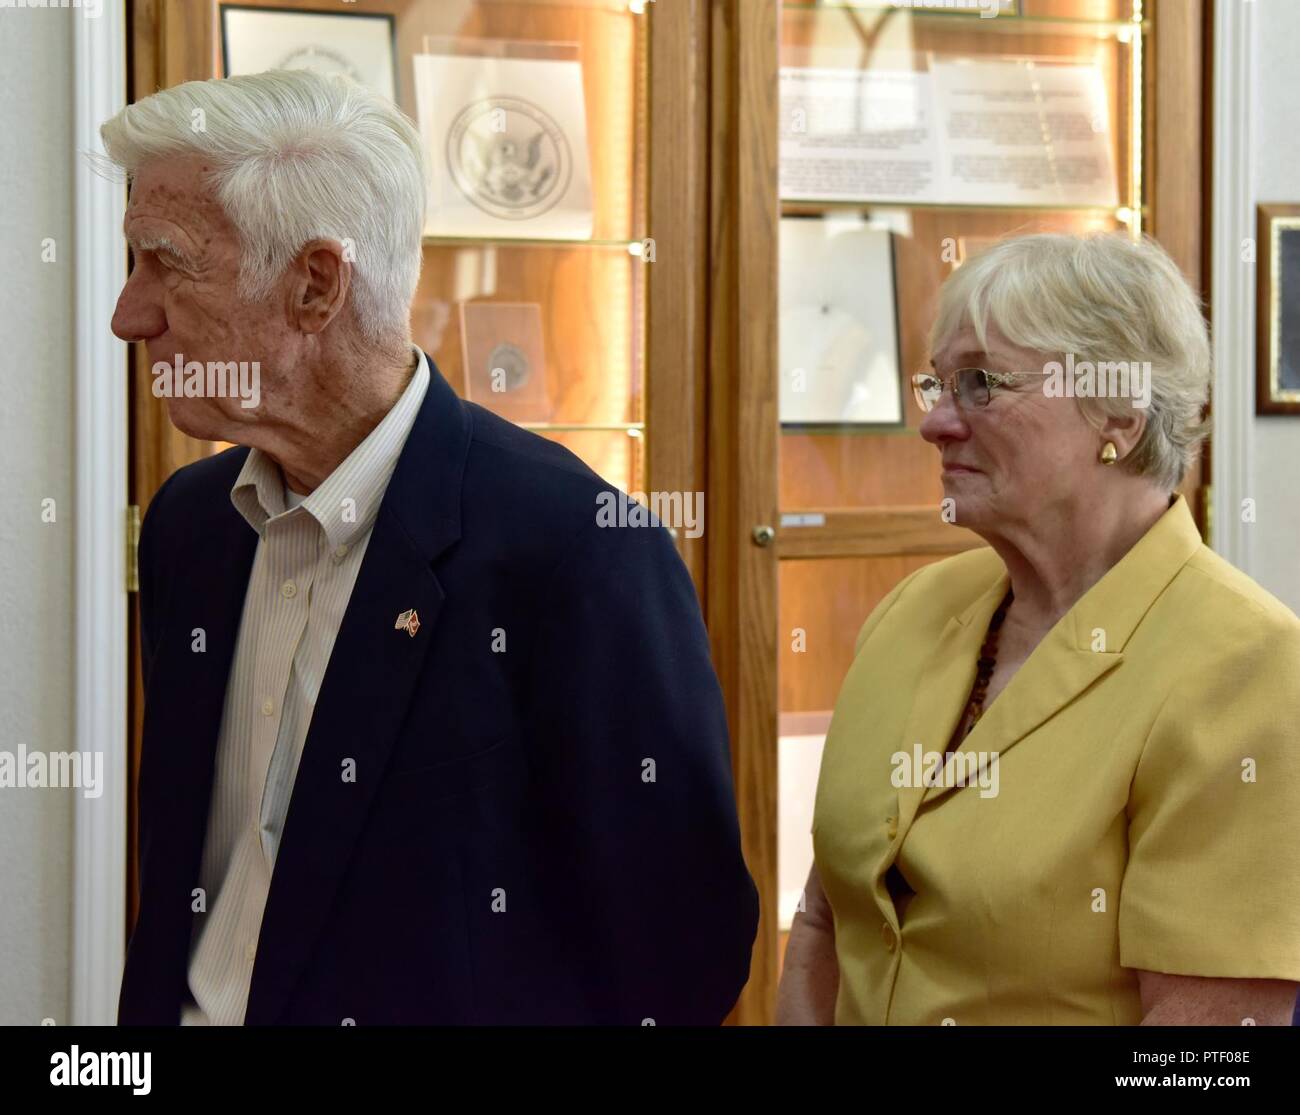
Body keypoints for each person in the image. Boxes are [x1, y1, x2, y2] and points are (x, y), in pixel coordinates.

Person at [107, 69, 757, 1025]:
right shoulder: (191, 529)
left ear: (316, 286)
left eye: (166, 263)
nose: (130, 314)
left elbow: (681, 952)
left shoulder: (577, 551)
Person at [777, 232, 1300, 1026]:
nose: (935, 423)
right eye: (936, 383)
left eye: (981, 384)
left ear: (1119, 409)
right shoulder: (913, 610)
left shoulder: (1246, 666)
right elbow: (828, 916)